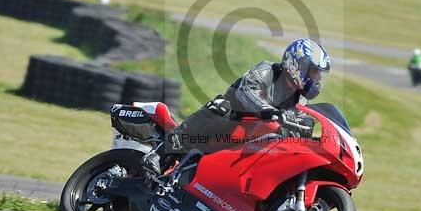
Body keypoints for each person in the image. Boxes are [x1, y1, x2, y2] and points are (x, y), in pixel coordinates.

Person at [142, 38, 332, 176]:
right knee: (219, 106)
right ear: (296, 64)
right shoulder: (267, 71)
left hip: (253, 143)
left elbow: (299, 129)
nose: (316, 80)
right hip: (230, 122)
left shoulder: (300, 101)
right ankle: (162, 154)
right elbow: (246, 91)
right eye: (313, 72)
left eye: (319, 75)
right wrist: (267, 109)